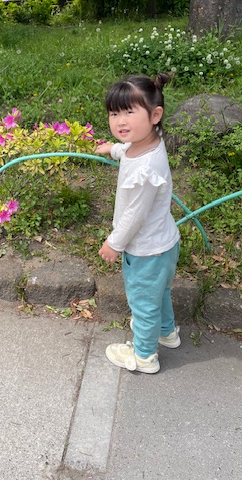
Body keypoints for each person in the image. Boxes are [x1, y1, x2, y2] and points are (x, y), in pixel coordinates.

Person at [95, 73, 181, 374]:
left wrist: (114, 243)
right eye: (114, 113)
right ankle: (167, 332)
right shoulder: (149, 143)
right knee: (159, 293)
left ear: (155, 115)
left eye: (129, 112)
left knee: (143, 304)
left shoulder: (146, 169)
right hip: (164, 243)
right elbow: (130, 150)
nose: (120, 121)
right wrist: (113, 149)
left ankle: (144, 356)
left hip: (145, 251)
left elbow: (135, 214)